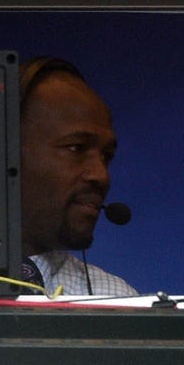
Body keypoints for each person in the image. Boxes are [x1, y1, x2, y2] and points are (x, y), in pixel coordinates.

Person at [19, 56, 137, 296]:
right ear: (2, 152)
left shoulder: (115, 301)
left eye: (106, 156)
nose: (101, 176)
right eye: (76, 148)